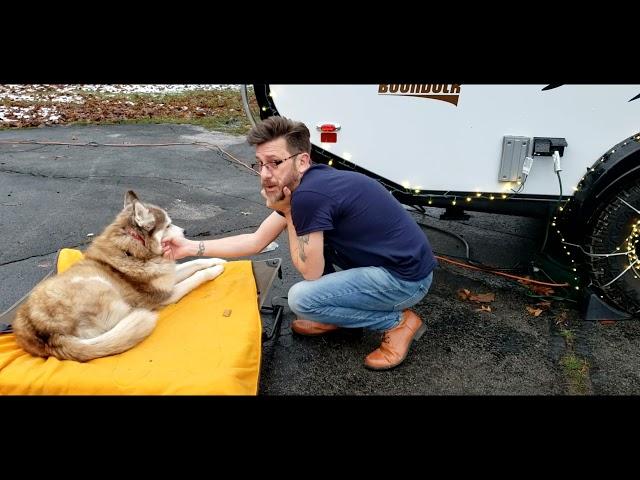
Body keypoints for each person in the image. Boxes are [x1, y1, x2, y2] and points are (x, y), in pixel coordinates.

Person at [162, 116, 437, 370]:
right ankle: (338, 318)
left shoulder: (308, 197)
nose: (265, 174)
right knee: (317, 265)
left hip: (405, 281)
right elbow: (256, 241)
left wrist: (291, 212)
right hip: (396, 267)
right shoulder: (308, 184)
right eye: (261, 163)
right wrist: (188, 247)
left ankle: (399, 322)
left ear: (302, 161)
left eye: (275, 162)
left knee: (302, 299)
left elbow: (310, 272)